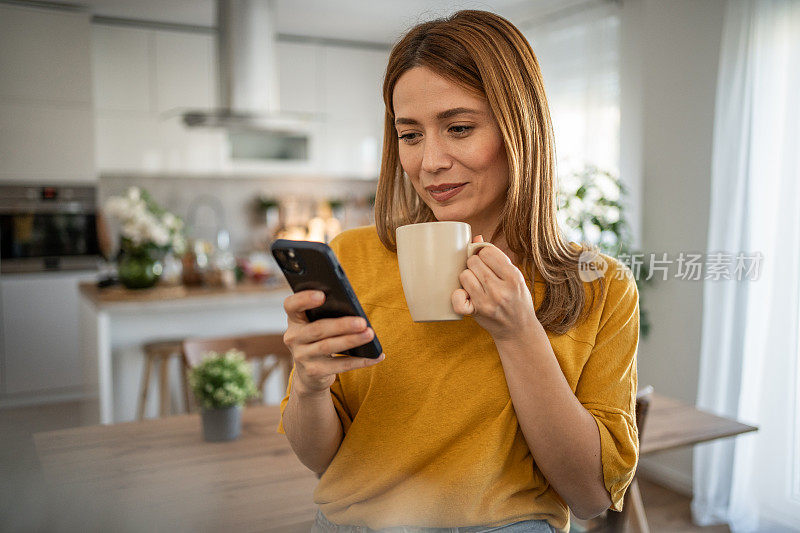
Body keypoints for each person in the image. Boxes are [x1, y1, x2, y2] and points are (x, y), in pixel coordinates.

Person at [278, 10, 639, 533]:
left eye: (460, 128)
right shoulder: (353, 256)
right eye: (410, 135)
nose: (430, 162)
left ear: (520, 128)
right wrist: (310, 384)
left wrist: (518, 332)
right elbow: (321, 460)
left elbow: (589, 497)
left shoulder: (598, 284)